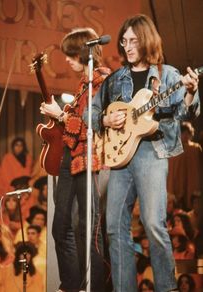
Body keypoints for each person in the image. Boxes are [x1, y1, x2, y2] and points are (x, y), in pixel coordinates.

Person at [83, 14, 200, 292]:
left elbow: (187, 113)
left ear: (146, 40)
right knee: (114, 226)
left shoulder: (167, 75)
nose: (127, 47)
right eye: (124, 42)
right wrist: (105, 121)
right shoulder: (115, 79)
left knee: (152, 223)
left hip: (152, 152)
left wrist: (190, 92)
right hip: (121, 156)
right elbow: (91, 111)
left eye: (133, 40)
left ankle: (167, 287)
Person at [40, 27, 111, 292]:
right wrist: (56, 117)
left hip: (89, 160)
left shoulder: (103, 80)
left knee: (87, 229)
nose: (67, 60)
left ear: (83, 52)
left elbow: (90, 126)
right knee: (60, 227)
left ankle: (94, 288)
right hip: (71, 159)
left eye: (70, 54)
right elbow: (73, 127)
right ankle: (70, 285)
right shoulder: (83, 84)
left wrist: (60, 115)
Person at [167, 121, 202, 210]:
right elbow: (170, 169)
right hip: (177, 182)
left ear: (191, 134)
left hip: (192, 182)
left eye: (188, 133)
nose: (185, 136)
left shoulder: (195, 148)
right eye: (183, 133)